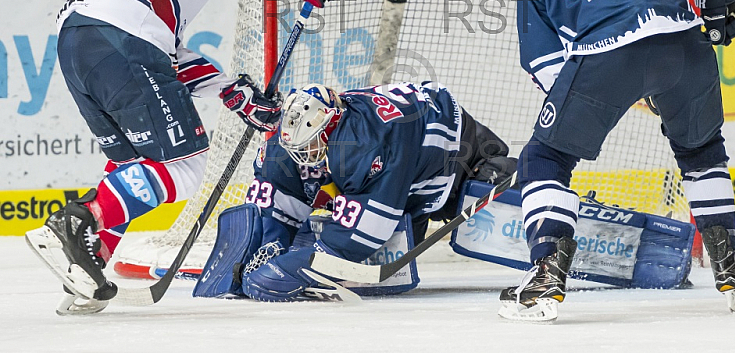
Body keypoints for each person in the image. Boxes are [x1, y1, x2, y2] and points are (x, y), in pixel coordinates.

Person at [25, 0, 342, 315]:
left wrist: (233, 93)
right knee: (186, 166)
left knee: (131, 163)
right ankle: (80, 222)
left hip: (79, 40)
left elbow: (166, 54)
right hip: (120, 35)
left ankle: (87, 267)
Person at [502, 0, 735, 322]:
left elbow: (543, 64)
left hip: (606, 53)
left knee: (544, 159)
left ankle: (546, 277)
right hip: (685, 42)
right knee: (701, 151)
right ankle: (728, 266)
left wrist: (598, 101)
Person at [194, 82, 517, 301]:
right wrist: (269, 243)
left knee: (490, 190)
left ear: (332, 125)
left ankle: (545, 206)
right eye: (300, 148)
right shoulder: (302, 133)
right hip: (406, 160)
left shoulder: (364, 146)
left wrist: (306, 264)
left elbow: (366, 233)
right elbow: (277, 187)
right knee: (394, 231)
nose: (304, 156)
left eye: (312, 146)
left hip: (458, 157)